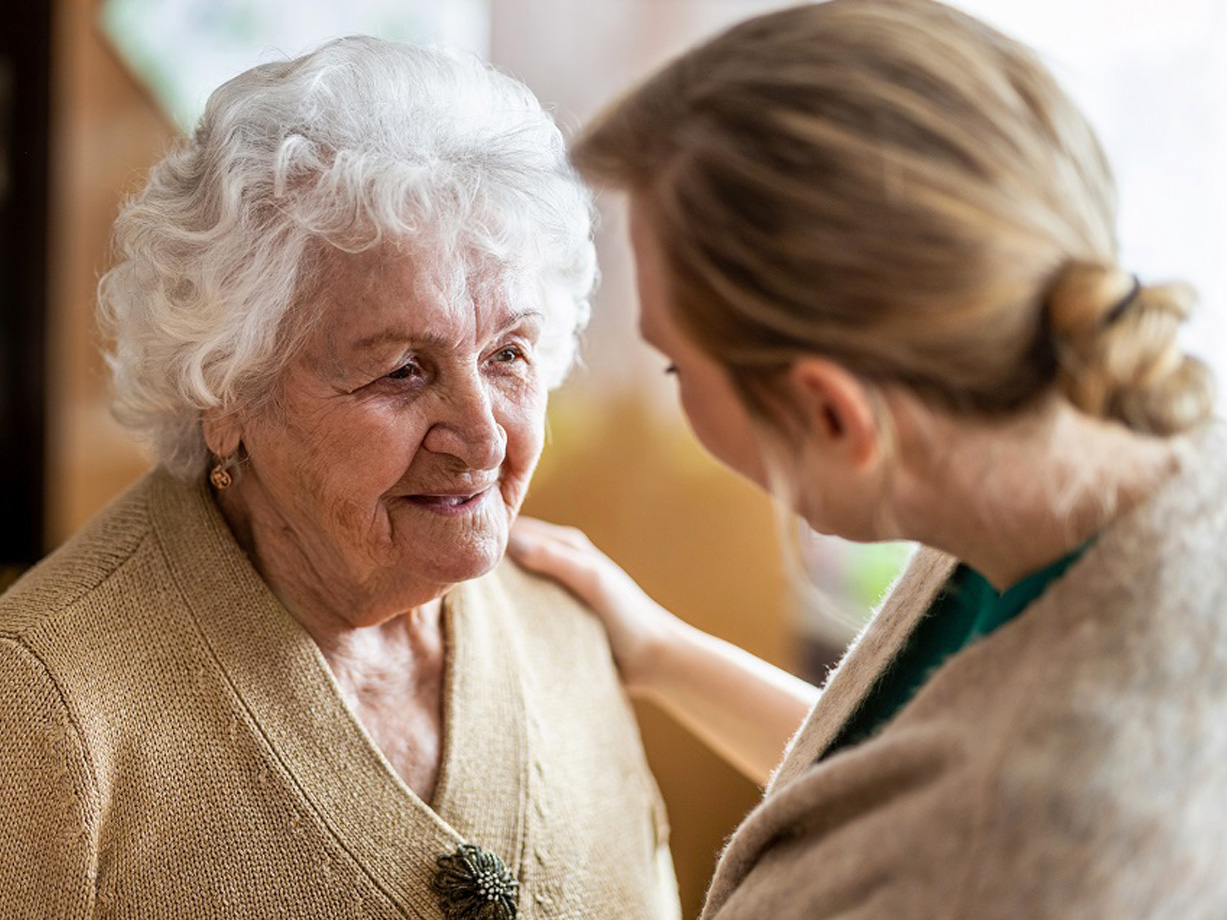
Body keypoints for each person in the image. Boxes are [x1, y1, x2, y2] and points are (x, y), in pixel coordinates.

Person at [508, 0, 1227, 916]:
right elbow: (897, 777)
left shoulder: (1056, 851)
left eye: (675, 363)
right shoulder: (1049, 464)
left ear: (831, 413)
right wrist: (659, 652)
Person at [0, 37, 680, 919]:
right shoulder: (40, 711)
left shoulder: (566, 630)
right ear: (224, 389)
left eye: (508, 353)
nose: (479, 435)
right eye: (400, 369)